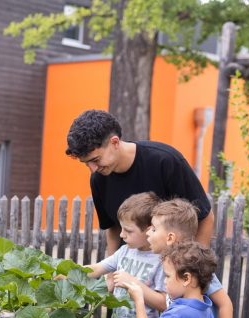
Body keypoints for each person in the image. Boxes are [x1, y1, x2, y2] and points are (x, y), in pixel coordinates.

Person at [65, 109, 214, 256]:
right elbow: (113, 228)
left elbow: (204, 217)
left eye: (95, 160)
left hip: (173, 268)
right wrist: (111, 270)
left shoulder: (166, 161)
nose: (92, 169)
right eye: (86, 163)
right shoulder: (98, 179)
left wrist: (193, 267)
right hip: (132, 268)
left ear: (115, 142)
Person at [84, 192, 164, 318]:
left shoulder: (161, 260)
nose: (121, 235)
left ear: (149, 230)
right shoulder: (124, 251)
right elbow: (97, 268)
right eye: (121, 229)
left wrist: (133, 283)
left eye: (128, 230)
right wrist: (68, 271)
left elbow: (164, 303)